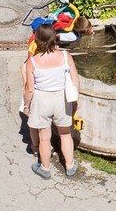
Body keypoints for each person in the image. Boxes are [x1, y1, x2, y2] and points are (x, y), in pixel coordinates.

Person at [22, 23, 79, 179]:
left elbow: (29, 89)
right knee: (65, 134)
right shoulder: (66, 56)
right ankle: (70, 166)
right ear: (55, 38)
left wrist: (26, 106)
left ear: (37, 40)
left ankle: (45, 168)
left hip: (41, 100)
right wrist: (75, 99)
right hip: (62, 99)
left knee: (44, 137)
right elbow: (75, 81)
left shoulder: (32, 62)